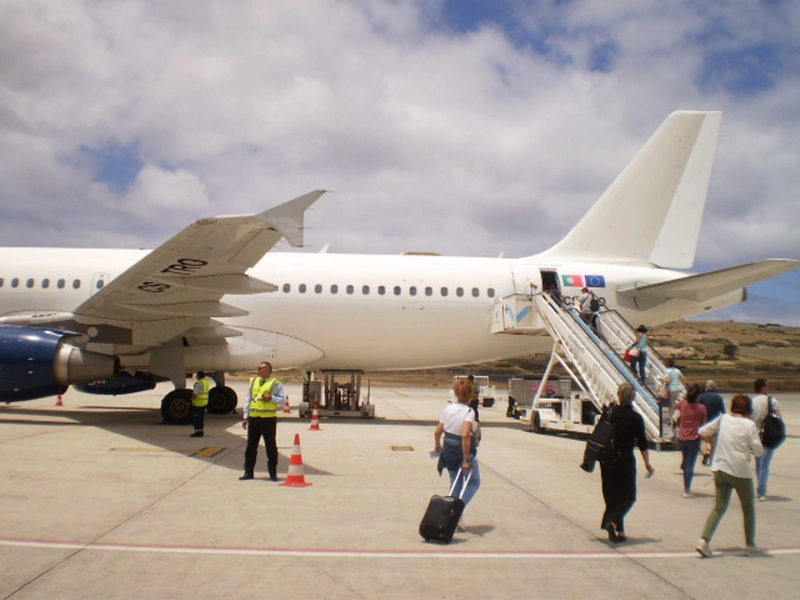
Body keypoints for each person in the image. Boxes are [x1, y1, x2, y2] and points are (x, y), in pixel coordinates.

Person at [696, 394, 764, 557]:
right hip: (740, 471)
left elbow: (702, 431)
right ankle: (750, 544)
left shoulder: (723, 419)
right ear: (747, 409)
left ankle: (704, 541)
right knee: (748, 509)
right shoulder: (749, 425)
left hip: (720, 468)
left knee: (719, 507)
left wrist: (713, 441)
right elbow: (759, 451)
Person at [599, 382, 655, 543]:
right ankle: (610, 521)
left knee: (611, 495)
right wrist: (647, 464)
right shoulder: (636, 418)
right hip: (625, 459)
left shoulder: (609, 413)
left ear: (619, 395)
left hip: (607, 459)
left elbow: (599, 434)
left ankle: (620, 530)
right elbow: (642, 443)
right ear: (633, 398)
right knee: (628, 496)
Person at [433, 377, 480, 527]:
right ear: (471, 395)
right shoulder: (469, 412)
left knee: (455, 483)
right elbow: (466, 435)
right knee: (474, 482)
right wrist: (466, 460)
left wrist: (437, 445)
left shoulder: (449, 409)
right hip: (462, 452)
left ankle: (450, 514)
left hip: (449, 451)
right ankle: (456, 510)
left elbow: (438, 430)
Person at [240, 362, 286, 481]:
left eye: (260, 368)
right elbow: (248, 399)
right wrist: (246, 417)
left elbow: (282, 400)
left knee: (270, 447)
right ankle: (248, 472)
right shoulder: (254, 382)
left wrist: (272, 398)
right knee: (251, 447)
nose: (258, 370)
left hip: (268, 420)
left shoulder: (275, 384)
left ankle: (272, 473)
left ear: (267, 371)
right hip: (254, 419)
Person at [751, 379, 783, 501]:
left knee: (759, 464)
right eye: (767, 386)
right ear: (763, 388)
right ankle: (762, 491)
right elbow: (779, 416)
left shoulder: (752, 402)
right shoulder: (771, 400)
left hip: (755, 436)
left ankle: (760, 490)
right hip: (768, 435)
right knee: (765, 465)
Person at [674, 383, 707, 497]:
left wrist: (684, 399)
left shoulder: (683, 404)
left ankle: (685, 470)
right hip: (694, 438)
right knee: (690, 465)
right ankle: (687, 489)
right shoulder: (702, 408)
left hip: (682, 437)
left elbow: (675, 406)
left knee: (686, 459)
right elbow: (704, 423)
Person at [698, 380, 726, 465]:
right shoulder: (719, 398)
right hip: (715, 422)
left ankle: (705, 453)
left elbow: (698, 408)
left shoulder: (701, 397)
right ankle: (711, 458)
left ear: (707, 387)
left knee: (703, 441)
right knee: (713, 442)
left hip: (704, 422)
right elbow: (723, 411)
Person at [660, 357, 685, 429]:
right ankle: (677, 418)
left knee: (671, 405)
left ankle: (671, 420)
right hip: (678, 388)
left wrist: (661, 379)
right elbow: (682, 378)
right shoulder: (677, 370)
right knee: (677, 404)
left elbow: (667, 380)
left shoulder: (667, 371)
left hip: (671, 389)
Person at [190, 371, 212, 438]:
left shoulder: (199, 384)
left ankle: (198, 432)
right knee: (200, 418)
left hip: (198, 404)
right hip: (204, 403)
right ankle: (200, 431)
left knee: (196, 418)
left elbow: (195, 394)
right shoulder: (205, 382)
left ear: (198, 376)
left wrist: (190, 400)